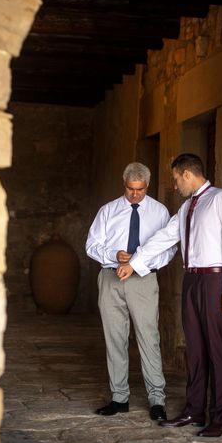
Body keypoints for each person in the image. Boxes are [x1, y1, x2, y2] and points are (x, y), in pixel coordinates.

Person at [117, 153, 222, 437]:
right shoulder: (186, 208)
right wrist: (134, 264)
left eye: (176, 179)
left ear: (187, 174)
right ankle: (194, 411)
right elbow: (162, 239)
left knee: (217, 351)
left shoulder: (221, 199)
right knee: (195, 350)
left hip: (215, 280)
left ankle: (220, 419)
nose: (175, 185)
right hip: (191, 281)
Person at [86, 162, 176, 421]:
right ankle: (119, 397)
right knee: (115, 337)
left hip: (144, 281)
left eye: (141, 189)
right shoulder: (108, 211)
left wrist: (141, 264)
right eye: (130, 189)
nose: (135, 195)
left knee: (149, 338)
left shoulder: (159, 212)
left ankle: (157, 399)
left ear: (147, 185)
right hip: (111, 277)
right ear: (123, 184)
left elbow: (168, 250)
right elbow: (91, 245)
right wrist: (113, 254)